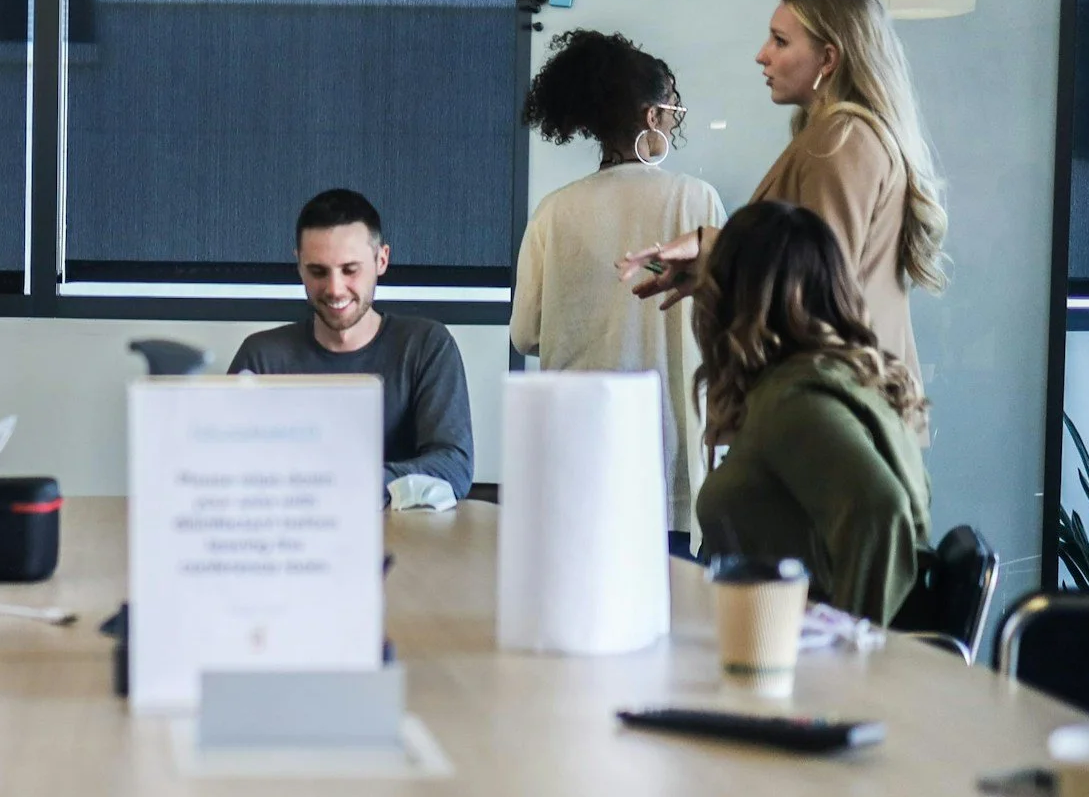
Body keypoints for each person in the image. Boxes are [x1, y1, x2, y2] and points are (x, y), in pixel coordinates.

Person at [617, 0, 947, 406]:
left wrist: (718, 252)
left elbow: (821, 286)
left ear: (828, 58)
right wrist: (713, 262)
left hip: (834, 412)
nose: (762, 55)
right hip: (841, 408)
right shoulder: (839, 136)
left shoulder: (842, 140)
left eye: (779, 41)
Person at [514, 29, 727, 535]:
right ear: (651, 116)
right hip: (669, 454)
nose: (674, 124)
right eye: (672, 111)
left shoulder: (553, 211)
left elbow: (524, 335)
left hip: (577, 454)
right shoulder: (696, 203)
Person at [690, 201, 931, 623]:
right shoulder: (831, 380)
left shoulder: (793, 401)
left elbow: (881, 510)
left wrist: (848, 644)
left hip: (796, 663)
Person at [228, 189, 473, 501]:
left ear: (381, 260)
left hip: (408, 542)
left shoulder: (427, 346)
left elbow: (454, 467)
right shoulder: (261, 357)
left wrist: (341, 483)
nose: (334, 288)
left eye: (350, 270)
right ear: (299, 266)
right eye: (318, 271)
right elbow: (225, 466)